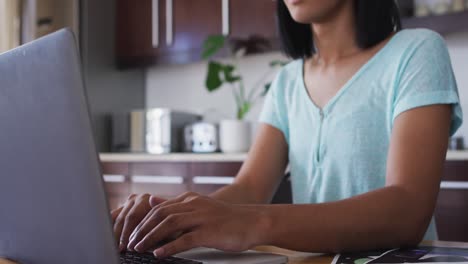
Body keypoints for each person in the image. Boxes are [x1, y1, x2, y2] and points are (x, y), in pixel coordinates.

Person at [111, 0, 463, 258]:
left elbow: (408, 209)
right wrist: (172, 218)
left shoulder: (416, 51)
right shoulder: (288, 81)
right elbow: (249, 187)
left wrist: (254, 224)